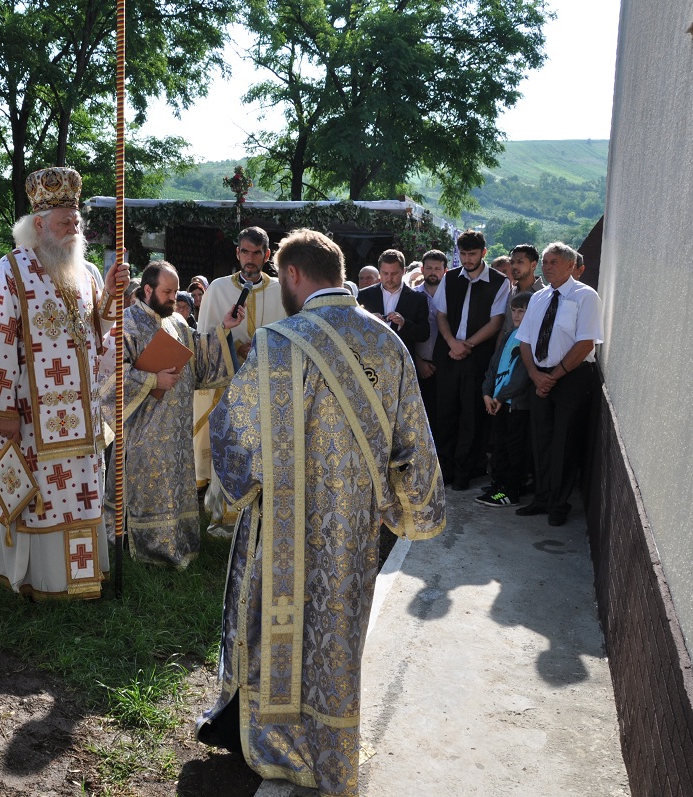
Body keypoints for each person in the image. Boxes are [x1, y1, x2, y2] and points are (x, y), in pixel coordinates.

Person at [197, 229, 445, 797]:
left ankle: (278, 743)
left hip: (282, 528)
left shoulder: (276, 343)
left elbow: (234, 434)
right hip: (354, 531)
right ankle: (332, 751)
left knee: (274, 628)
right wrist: (411, 512)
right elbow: (413, 443)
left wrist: (230, 495)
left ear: (291, 275)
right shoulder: (388, 343)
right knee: (336, 635)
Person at [0, 166, 128, 600]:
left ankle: (82, 578)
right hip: (32, 417)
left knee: (81, 492)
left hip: (82, 416)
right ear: (38, 225)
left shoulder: (87, 272)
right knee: (42, 496)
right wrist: (0, 413)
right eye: (64, 222)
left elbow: (96, 331)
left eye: (76, 221)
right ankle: (40, 578)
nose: (74, 229)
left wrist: (112, 296)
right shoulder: (8, 272)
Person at [122, 261, 240, 568]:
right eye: (167, 292)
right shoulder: (127, 323)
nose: (174, 298)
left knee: (175, 487)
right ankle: (149, 550)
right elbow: (111, 376)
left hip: (177, 428)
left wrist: (224, 328)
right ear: (148, 290)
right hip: (144, 429)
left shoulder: (175, 321)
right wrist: (153, 380)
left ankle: (179, 543)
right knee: (150, 487)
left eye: (176, 292)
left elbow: (198, 355)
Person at [193, 226, 286, 533]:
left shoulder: (280, 290)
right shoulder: (218, 290)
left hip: (268, 389)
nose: (250, 259)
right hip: (229, 388)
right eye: (245, 252)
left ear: (267, 255)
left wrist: (261, 348)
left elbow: (289, 337)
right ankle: (225, 516)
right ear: (237, 253)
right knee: (229, 449)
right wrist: (232, 343)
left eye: (257, 253)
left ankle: (264, 517)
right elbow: (205, 342)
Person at [516, 242, 603, 526]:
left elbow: (586, 342)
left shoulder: (585, 296)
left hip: (571, 377)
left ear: (570, 265)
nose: (548, 266)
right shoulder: (539, 298)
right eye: (545, 261)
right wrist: (535, 375)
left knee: (564, 442)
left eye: (554, 262)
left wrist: (553, 377)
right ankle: (541, 498)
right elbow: (525, 340)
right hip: (539, 376)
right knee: (540, 440)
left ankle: (558, 504)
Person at [432, 230, 510, 491]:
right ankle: (444, 470)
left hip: (477, 359)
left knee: (472, 416)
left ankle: (464, 472)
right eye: (463, 254)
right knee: (445, 413)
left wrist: (467, 345)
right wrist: (452, 343)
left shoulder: (499, 282)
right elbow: (441, 315)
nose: (467, 259)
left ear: (483, 253)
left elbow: (496, 322)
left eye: (472, 254)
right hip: (449, 356)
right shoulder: (450, 278)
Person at [477, 291, 533, 507]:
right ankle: (499, 484)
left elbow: (522, 376)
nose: (516, 315)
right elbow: (494, 365)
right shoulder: (510, 335)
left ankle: (510, 491)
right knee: (499, 447)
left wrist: (500, 396)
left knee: (514, 449)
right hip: (497, 402)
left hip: (514, 405)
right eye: (514, 310)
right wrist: (486, 393)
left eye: (522, 311)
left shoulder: (531, 339)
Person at [356, 248, 431, 359]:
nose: (389, 278)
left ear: (403, 271)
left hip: (402, 360)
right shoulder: (364, 295)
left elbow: (424, 334)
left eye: (394, 273)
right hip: (370, 359)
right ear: (379, 272)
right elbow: (354, 327)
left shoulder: (418, 299)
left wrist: (403, 323)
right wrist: (369, 321)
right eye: (385, 273)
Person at [414, 248, 447, 416]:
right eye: (429, 268)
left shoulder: (452, 296)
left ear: (445, 271)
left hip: (446, 366)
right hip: (418, 365)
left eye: (437, 268)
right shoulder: (411, 296)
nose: (433, 272)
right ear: (422, 269)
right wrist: (418, 361)